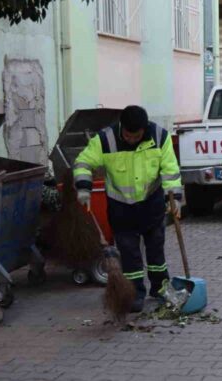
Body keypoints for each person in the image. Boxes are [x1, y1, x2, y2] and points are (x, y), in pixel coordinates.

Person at [73, 105, 183, 312]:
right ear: (121, 127)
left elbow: (170, 170)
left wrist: (175, 197)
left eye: (137, 136)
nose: (132, 139)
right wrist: (83, 189)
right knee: (129, 253)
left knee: (156, 250)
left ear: (145, 129)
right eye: (128, 135)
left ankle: (160, 288)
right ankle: (134, 293)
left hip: (151, 203)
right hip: (121, 206)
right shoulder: (105, 140)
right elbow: (83, 163)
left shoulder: (160, 137)